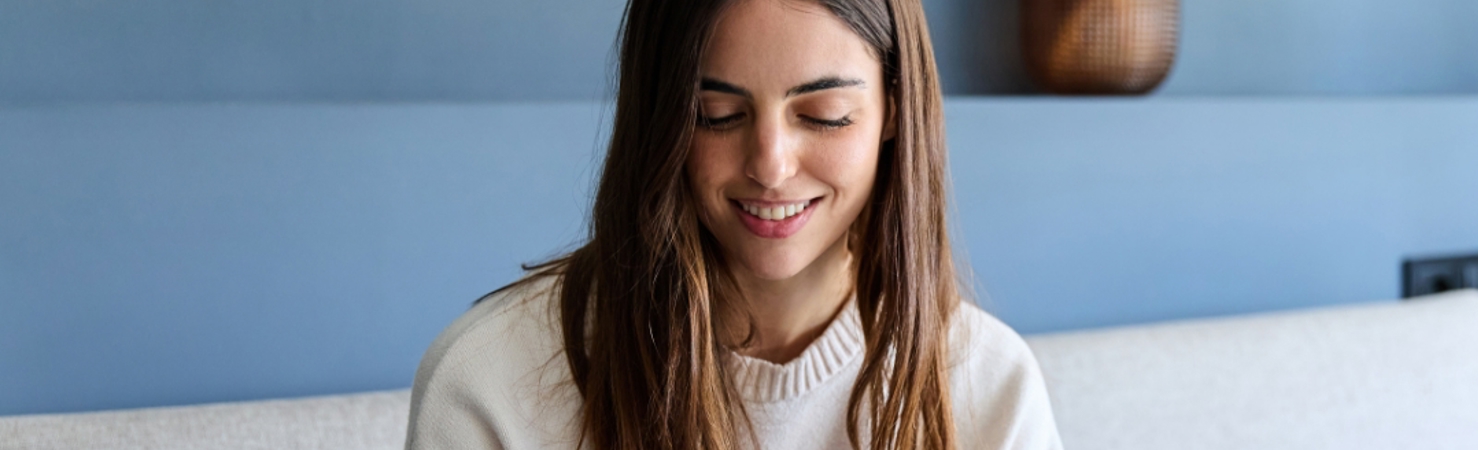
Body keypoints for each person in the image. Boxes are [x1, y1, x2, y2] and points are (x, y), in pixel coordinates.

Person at [403, 0, 1063, 448]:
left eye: (825, 114)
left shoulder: (989, 386)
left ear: (895, 110)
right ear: (659, 121)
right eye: (716, 114)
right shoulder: (490, 379)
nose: (770, 167)